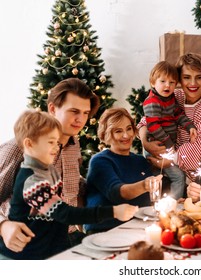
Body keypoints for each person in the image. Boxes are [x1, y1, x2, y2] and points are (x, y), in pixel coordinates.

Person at [0, 110, 138, 259]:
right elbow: (65, 214)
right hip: (26, 256)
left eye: (57, 142)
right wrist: (113, 212)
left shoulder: (47, 169)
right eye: (51, 142)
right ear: (30, 144)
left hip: (52, 250)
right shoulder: (32, 182)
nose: (57, 147)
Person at [0, 78, 99, 253]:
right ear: (52, 109)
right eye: (74, 111)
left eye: (86, 112)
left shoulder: (74, 144)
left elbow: (73, 184)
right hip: (27, 244)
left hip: (66, 237)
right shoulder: (19, 147)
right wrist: (4, 226)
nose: (81, 119)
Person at [138, 53, 201, 188]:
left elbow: (200, 146)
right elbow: (147, 119)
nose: (193, 83)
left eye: (199, 77)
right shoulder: (173, 95)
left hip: (192, 178)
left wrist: (169, 160)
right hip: (162, 159)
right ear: (179, 80)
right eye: (187, 77)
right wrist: (145, 142)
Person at [85, 108, 162, 233]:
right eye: (118, 131)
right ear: (107, 134)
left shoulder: (140, 161)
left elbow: (151, 199)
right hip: (105, 231)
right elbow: (117, 193)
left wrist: (174, 201)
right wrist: (144, 185)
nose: (126, 135)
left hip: (137, 227)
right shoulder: (100, 161)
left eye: (129, 128)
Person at [143, 61, 197, 199]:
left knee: (166, 176)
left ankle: (168, 205)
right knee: (175, 177)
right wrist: (168, 144)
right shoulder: (152, 102)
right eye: (163, 81)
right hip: (156, 147)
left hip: (166, 147)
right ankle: (168, 205)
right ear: (153, 83)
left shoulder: (170, 98)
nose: (168, 85)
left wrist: (189, 126)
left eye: (172, 82)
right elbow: (153, 126)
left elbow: (178, 114)